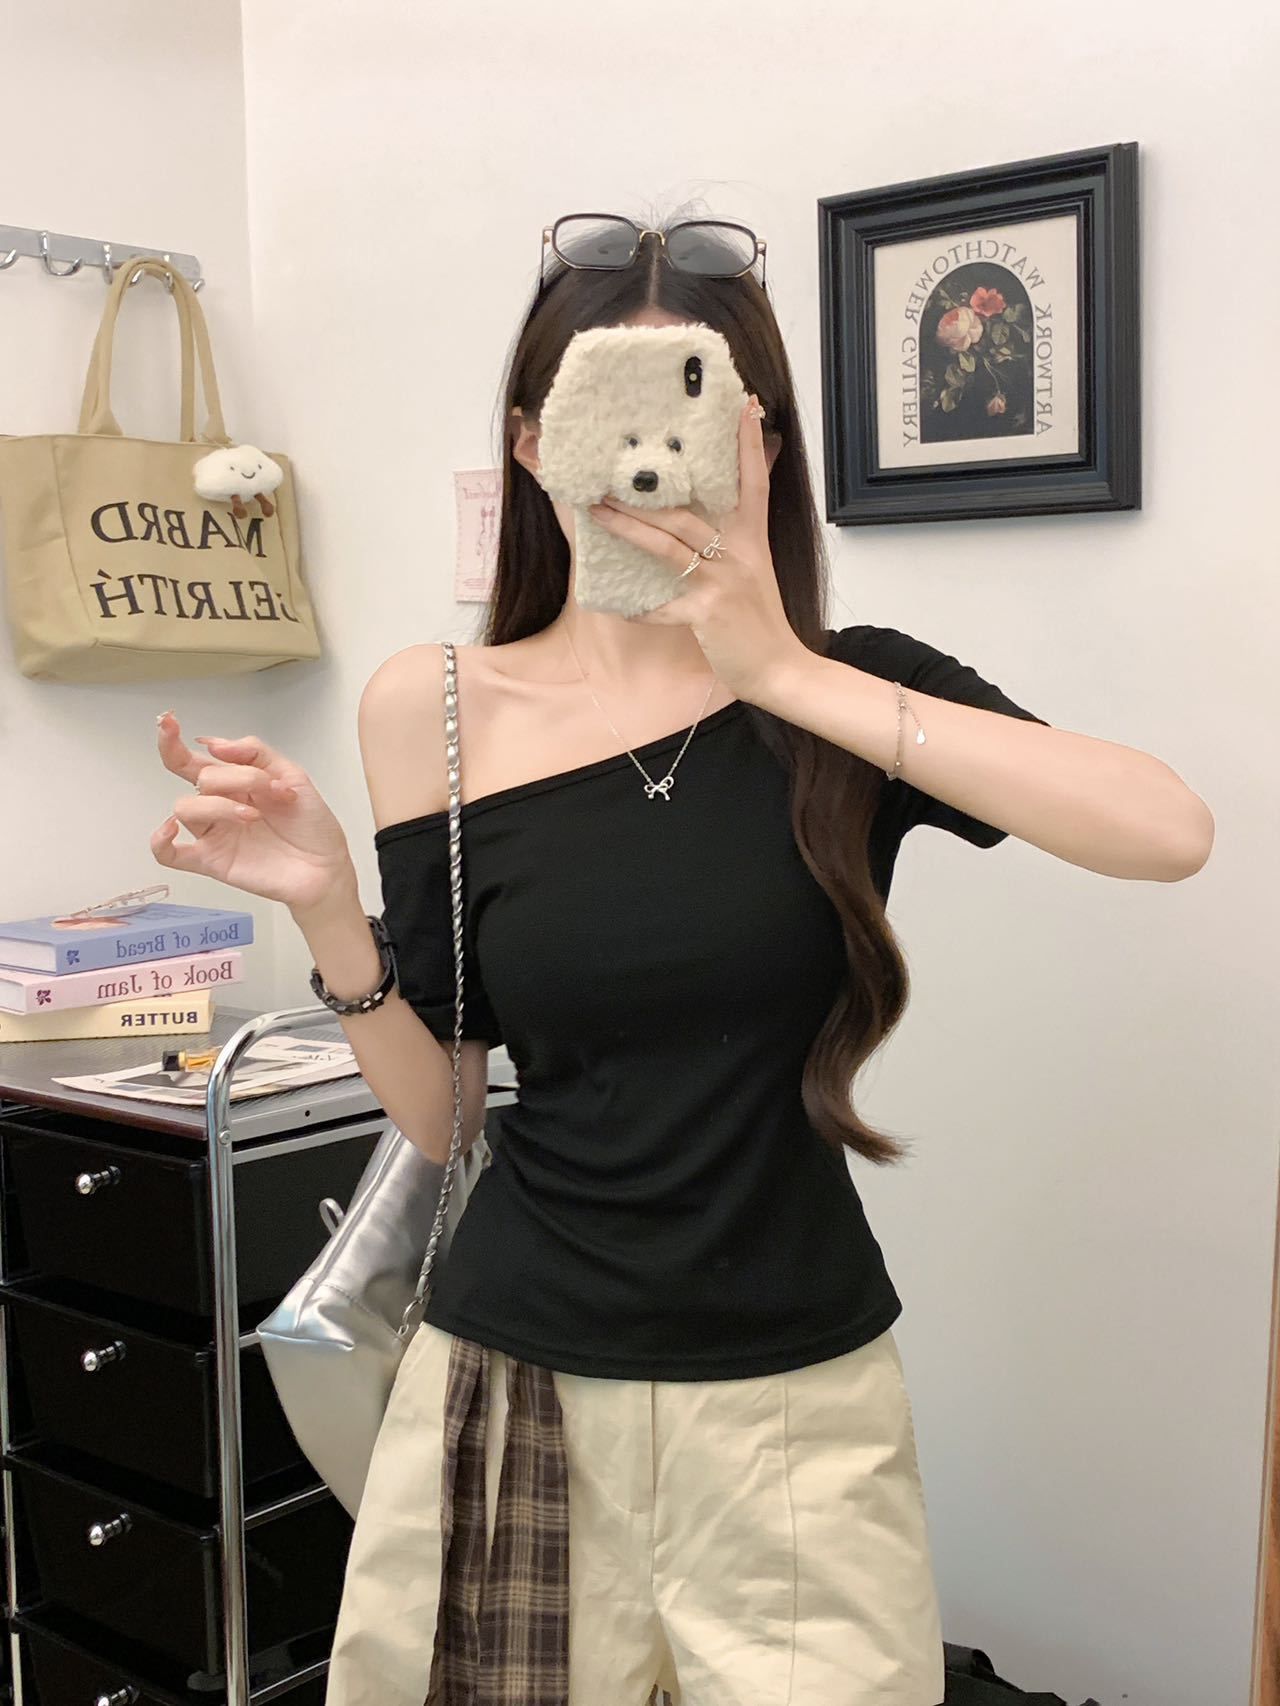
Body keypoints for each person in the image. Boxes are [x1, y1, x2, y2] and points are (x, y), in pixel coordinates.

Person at [151, 214, 1214, 1706]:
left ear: (761, 442)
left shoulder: (855, 692)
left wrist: (780, 672)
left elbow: (1166, 830)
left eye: (698, 407)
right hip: (510, 1381)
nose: (648, 458)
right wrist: (332, 912)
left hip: (797, 1402)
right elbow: (446, 1115)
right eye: (607, 411)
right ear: (533, 443)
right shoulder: (433, 707)